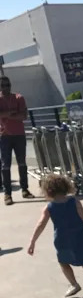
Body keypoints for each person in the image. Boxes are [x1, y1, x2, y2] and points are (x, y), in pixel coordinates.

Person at [27, 174, 83, 298]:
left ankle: (74, 284)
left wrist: (32, 242)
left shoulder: (49, 207)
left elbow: (41, 224)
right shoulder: (74, 201)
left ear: (48, 191)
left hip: (62, 240)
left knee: (63, 263)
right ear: (66, 187)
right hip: (80, 238)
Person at [0, 75, 34, 205]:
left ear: (10, 85)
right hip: (4, 136)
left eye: (7, 85)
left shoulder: (19, 98)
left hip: (19, 135)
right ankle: (8, 194)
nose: (5, 88)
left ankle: (25, 190)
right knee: (5, 165)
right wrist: (12, 113)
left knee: (22, 163)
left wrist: (6, 115)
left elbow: (23, 116)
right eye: (2, 85)